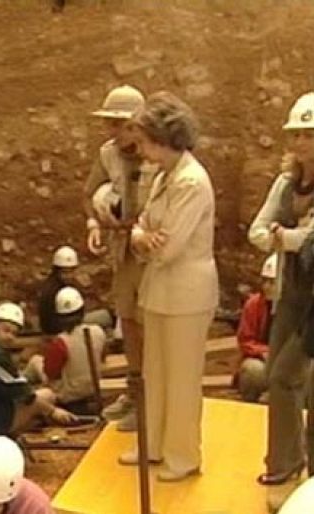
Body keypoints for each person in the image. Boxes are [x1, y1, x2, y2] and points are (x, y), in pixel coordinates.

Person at [118, 91, 218, 482]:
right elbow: (141, 226)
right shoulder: (164, 175)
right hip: (160, 291)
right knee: (155, 372)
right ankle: (154, 445)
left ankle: (183, 455)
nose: (138, 148)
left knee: (182, 378)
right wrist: (142, 237)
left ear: (163, 138)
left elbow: (169, 246)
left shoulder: (192, 181)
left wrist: (143, 238)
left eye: (143, 140)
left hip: (187, 294)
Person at [249, 91, 314, 486]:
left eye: (309, 134)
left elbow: (307, 241)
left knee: (285, 375)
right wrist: (290, 237)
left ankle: (287, 461)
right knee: (277, 372)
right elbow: (259, 230)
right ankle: (288, 458)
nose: (302, 143)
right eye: (297, 135)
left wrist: (286, 237)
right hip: (292, 290)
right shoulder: (286, 183)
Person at [84, 84, 158, 433]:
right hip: (123, 247)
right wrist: (94, 221)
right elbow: (89, 193)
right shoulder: (108, 154)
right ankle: (135, 391)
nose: (111, 131)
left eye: (117, 123)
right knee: (127, 320)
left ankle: (153, 399)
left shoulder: (157, 155)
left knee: (151, 324)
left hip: (153, 253)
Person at [0, 302, 76, 439]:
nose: (10, 336)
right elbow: (27, 396)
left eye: (14, 333)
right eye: (6, 330)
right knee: (47, 396)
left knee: (42, 399)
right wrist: (53, 411)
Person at [37, 287, 106, 412]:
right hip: (94, 388)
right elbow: (102, 356)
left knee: (35, 362)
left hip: (69, 395)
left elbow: (50, 373)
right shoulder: (98, 331)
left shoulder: (60, 343)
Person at [235, 254, 277, 402]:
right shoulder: (253, 305)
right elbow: (245, 340)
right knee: (252, 371)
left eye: (273, 282)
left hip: (289, 361)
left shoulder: (299, 307)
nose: (267, 286)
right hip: (261, 360)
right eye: (265, 281)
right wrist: (264, 352)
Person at [38, 245, 79, 336]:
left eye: (71, 272)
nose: (69, 276)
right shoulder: (52, 291)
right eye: (65, 272)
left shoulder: (67, 286)